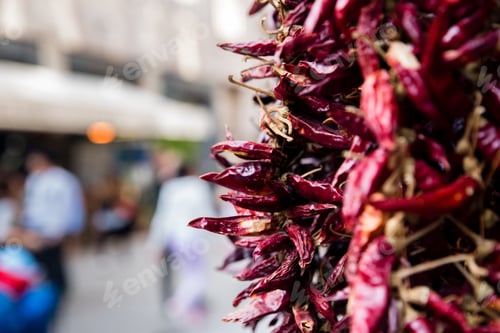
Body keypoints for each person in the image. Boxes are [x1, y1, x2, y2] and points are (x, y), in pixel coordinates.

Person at [10, 149, 85, 297]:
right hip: (34, 228)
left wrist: (64, 230)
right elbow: (29, 203)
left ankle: (58, 290)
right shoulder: (34, 178)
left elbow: (69, 206)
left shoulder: (63, 179)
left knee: (54, 261)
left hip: (54, 228)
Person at [148, 163, 216, 324]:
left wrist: (155, 242)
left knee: (188, 273)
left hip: (175, 238)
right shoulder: (198, 186)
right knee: (197, 275)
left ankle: (192, 308)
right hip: (194, 238)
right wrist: (216, 235)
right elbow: (207, 212)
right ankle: (178, 303)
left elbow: (162, 216)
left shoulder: (170, 187)